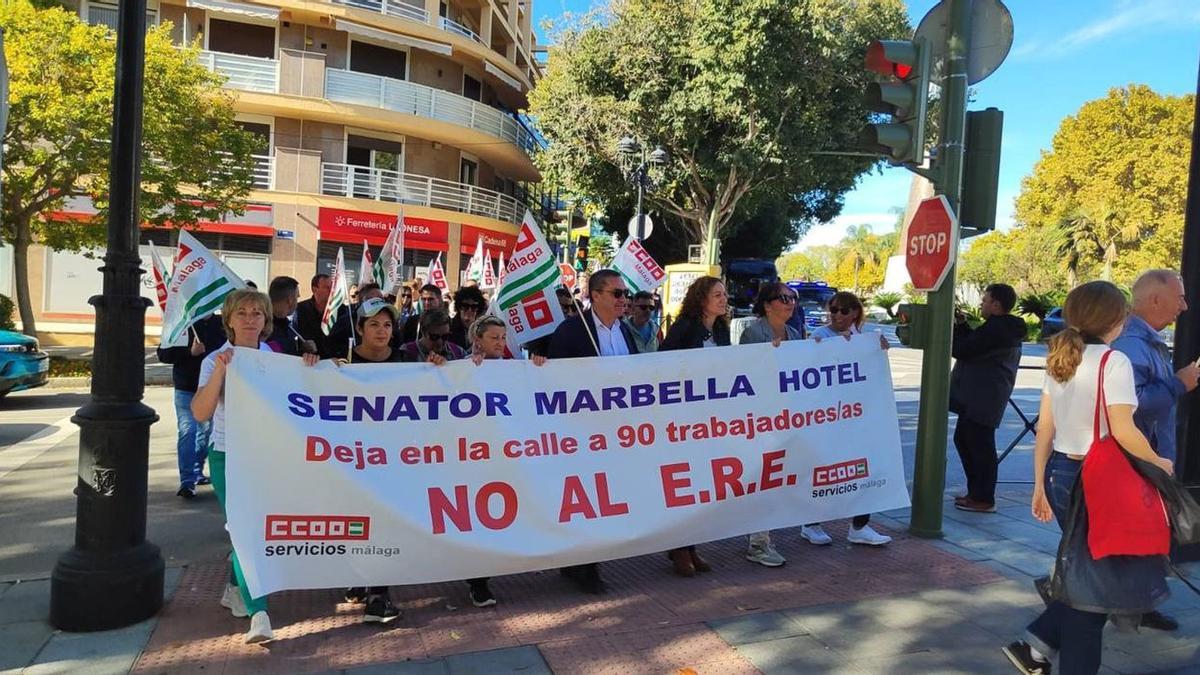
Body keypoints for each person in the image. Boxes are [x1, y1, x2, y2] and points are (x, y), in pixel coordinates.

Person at [1003, 281, 1172, 675]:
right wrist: (1158, 461)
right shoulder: (1114, 362)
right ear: (1117, 319)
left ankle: (1035, 646)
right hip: (1102, 481)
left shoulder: (1061, 358)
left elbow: (1045, 427)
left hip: (1062, 473)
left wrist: (1038, 484)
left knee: (1090, 576)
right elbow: (1123, 428)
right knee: (1095, 590)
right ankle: (1038, 648)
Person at [192, 289, 319, 643]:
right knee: (245, 530)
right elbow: (200, 412)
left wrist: (317, 368)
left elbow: (302, 397)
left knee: (253, 530)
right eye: (242, 313)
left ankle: (236, 587)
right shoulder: (216, 359)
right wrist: (220, 370)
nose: (250, 319)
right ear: (229, 319)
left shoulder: (276, 357)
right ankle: (259, 614)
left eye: (257, 313)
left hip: (268, 455)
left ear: (266, 321)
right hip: (228, 454)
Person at [1111, 269, 1198, 632]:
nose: (1185, 305)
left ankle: (1138, 605)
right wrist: (1180, 384)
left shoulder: (1146, 341)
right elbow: (1132, 404)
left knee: (1148, 536)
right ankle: (1067, 602)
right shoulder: (1132, 345)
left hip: (1149, 459)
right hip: (1139, 462)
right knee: (1133, 538)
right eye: (1179, 297)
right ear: (1156, 300)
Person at [547, 269, 639, 593]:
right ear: (595, 295)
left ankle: (581, 560)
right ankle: (583, 566)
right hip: (580, 432)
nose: (623, 300)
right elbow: (552, 381)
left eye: (625, 294)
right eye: (617, 294)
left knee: (605, 497)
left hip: (616, 432)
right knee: (585, 498)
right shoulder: (572, 330)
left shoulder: (625, 333)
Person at [330, 297, 404, 623]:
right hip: (351, 462)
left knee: (385, 525)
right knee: (356, 524)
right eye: (373, 323)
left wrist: (438, 367)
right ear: (359, 328)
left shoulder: (408, 363)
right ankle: (358, 579)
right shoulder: (341, 363)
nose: (381, 330)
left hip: (393, 463)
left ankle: (379, 594)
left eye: (387, 324)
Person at [806, 291, 893, 547]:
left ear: (855, 312)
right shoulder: (820, 336)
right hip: (828, 417)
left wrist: (878, 350)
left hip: (857, 416)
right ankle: (811, 523)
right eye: (833, 310)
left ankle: (860, 525)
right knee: (824, 471)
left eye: (844, 310)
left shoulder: (865, 339)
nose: (837, 315)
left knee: (863, 469)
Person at [659, 276, 730, 576]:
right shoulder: (685, 327)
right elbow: (663, 364)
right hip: (684, 418)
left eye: (725, 294)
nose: (724, 299)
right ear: (702, 299)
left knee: (704, 484)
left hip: (711, 419)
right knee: (684, 485)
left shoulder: (723, 329)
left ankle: (692, 546)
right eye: (717, 294)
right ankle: (679, 548)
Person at [736, 282, 802, 567]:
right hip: (759, 419)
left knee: (777, 475)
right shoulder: (754, 333)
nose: (790, 302)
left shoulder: (796, 334)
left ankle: (764, 535)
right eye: (783, 298)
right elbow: (748, 375)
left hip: (786, 417)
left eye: (793, 298)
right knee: (762, 476)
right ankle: (758, 542)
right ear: (767, 304)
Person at [949, 283, 1027, 513]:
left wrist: (954, 330)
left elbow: (965, 349)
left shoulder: (998, 330)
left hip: (983, 397)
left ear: (996, 304)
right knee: (965, 440)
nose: (981, 304)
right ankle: (977, 493)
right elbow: (972, 344)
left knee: (978, 444)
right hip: (980, 395)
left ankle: (983, 497)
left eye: (985, 300)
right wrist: (962, 327)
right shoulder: (998, 329)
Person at [157, 313, 225, 499]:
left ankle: (197, 471)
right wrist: (189, 352)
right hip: (186, 388)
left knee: (206, 434)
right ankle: (187, 481)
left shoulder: (221, 323)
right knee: (188, 432)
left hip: (211, 390)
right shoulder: (181, 322)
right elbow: (163, 353)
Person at [266, 276, 312, 356]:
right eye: (297, 297)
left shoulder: (286, 326)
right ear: (290, 300)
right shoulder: (264, 328)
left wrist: (303, 349)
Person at [400, 309, 466, 363]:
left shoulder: (458, 353)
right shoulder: (406, 353)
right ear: (423, 332)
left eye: (445, 336)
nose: (440, 342)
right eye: (435, 337)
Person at [295, 274, 332, 356]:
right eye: (327, 287)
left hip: (333, 360)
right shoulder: (300, 309)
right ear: (314, 289)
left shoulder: (341, 310)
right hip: (307, 360)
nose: (331, 290)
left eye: (332, 287)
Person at [449, 286, 486, 350]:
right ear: (459, 307)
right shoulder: (449, 327)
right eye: (465, 306)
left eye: (474, 307)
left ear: (478, 309)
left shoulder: (483, 329)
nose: (469, 310)